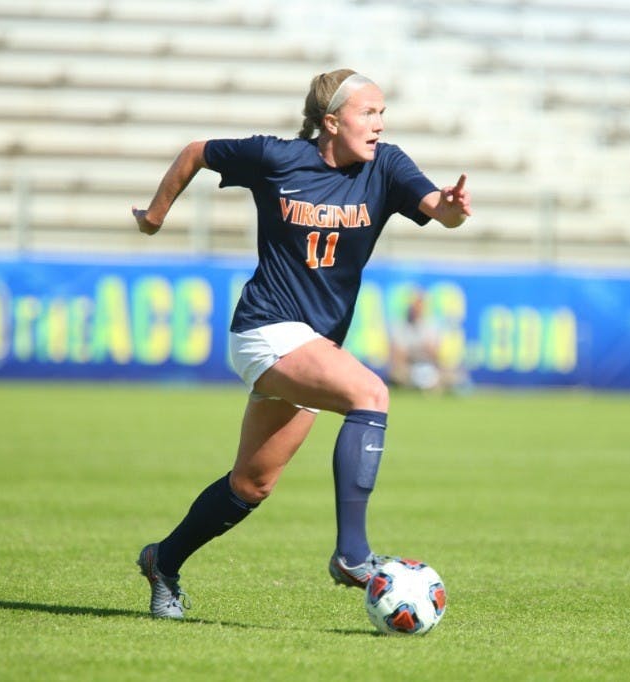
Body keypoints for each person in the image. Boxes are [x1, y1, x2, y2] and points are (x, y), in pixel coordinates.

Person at [130, 69, 472, 619]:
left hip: (313, 343)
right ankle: (353, 555)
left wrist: (453, 208)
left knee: (252, 484)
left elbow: (440, 210)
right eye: (369, 113)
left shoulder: (385, 165)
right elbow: (196, 151)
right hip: (265, 328)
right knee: (371, 393)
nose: (379, 125)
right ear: (332, 121)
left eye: (383, 113)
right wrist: (154, 215)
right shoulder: (277, 157)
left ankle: (162, 561)